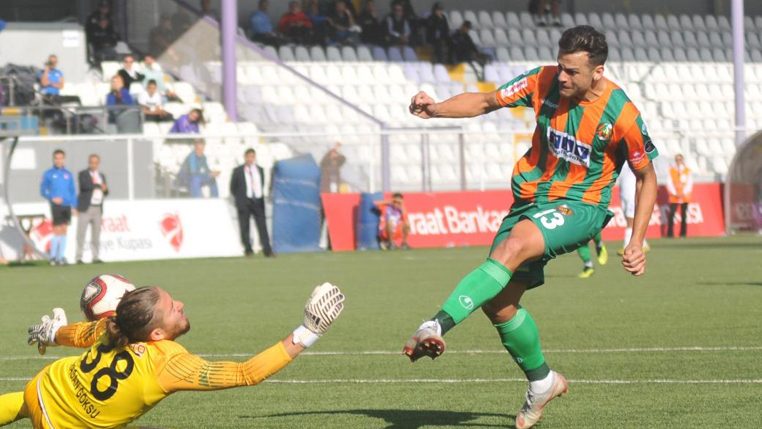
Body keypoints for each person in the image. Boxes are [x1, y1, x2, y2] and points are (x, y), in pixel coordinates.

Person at [403, 25, 658, 429]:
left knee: (514, 246)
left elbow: (646, 176)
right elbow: (486, 101)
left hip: (581, 206)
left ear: (598, 71)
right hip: (529, 201)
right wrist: (435, 110)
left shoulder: (621, 114)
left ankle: (434, 325)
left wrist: (636, 240)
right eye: (561, 66)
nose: (562, 77)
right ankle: (543, 382)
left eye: (572, 71)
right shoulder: (542, 80)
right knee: (499, 303)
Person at [2, 282, 344, 428]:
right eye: (171, 308)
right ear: (156, 334)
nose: (180, 304)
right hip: (59, 424)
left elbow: (78, 333)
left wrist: (51, 334)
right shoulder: (168, 363)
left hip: (41, 387)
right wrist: (309, 330)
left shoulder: (115, 325)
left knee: (20, 404)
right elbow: (247, 373)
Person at [230, 148, 274, 257]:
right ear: (245, 157)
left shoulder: (260, 170)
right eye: (248, 157)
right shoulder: (238, 171)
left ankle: (267, 250)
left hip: (258, 201)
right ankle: (248, 250)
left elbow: (261, 183)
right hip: (244, 201)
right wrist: (240, 198)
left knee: (262, 226)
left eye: (252, 157)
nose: (250, 159)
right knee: (245, 226)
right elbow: (233, 187)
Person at [39, 149, 77, 266]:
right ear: (53, 159)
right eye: (56, 158)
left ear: (64, 159)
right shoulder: (49, 174)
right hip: (56, 206)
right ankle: (53, 257)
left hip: (67, 205)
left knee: (64, 230)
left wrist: (74, 205)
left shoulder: (68, 174)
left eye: (61, 158)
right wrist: (52, 197)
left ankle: (60, 257)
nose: (58, 160)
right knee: (57, 230)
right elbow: (43, 190)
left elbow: (72, 191)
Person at [75, 154, 108, 265]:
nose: (93, 164)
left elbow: (106, 191)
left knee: (96, 234)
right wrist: (98, 185)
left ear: (98, 163)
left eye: (95, 162)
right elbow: (85, 186)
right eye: (91, 162)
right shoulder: (83, 174)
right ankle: (79, 257)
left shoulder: (101, 175)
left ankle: (95, 256)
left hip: (98, 207)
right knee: (81, 234)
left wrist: (105, 189)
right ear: (89, 162)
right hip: (86, 207)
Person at [617, 162, 649, 254]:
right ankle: (643, 243)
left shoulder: (634, 160)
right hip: (623, 194)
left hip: (631, 194)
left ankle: (627, 246)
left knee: (631, 221)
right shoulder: (621, 160)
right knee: (629, 220)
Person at [666, 153, 692, 238]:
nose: (679, 161)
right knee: (671, 214)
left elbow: (689, 183)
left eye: (680, 159)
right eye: (677, 160)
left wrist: (683, 193)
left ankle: (683, 233)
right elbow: (669, 183)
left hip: (684, 196)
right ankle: (670, 233)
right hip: (674, 196)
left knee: (684, 215)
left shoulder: (687, 170)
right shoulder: (672, 170)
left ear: (682, 160)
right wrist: (675, 193)